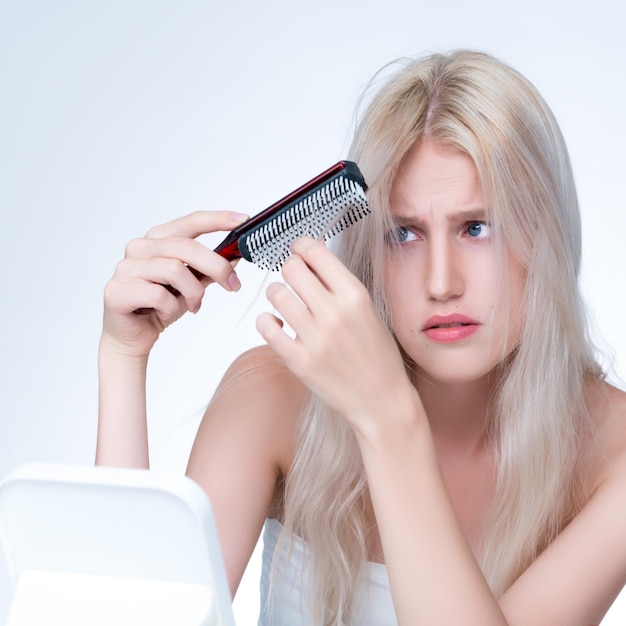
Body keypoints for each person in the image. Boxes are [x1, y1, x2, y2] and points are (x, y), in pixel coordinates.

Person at [96, 49, 626, 625]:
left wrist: (388, 420)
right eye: (404, 234)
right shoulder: (271, 396)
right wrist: (123, 358)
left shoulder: (610, 453)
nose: (441, 283)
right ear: (368, 256)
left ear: (547, 237)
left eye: (477, 228)